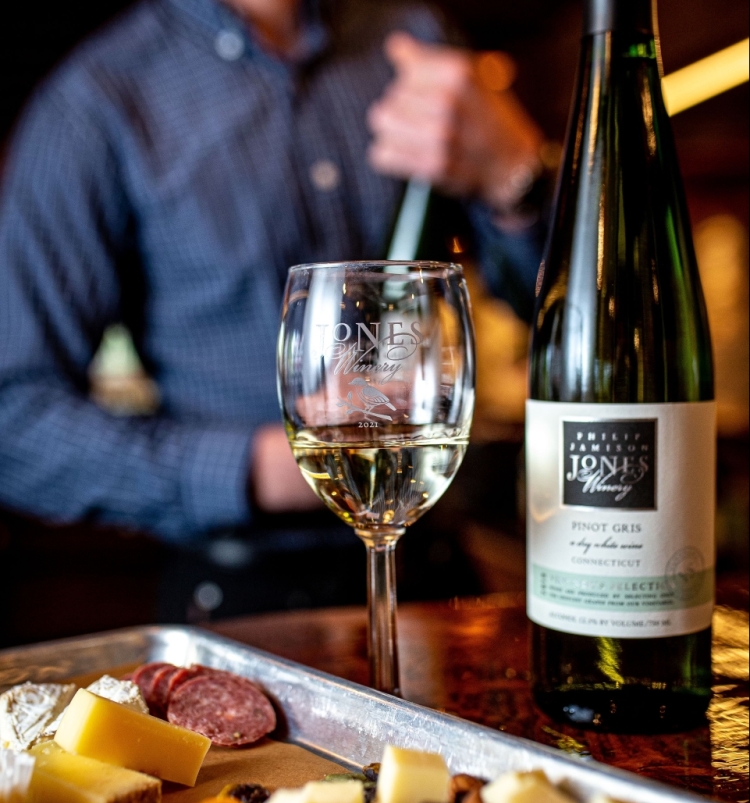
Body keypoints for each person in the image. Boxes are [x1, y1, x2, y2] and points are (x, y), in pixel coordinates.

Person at [0, 0, 545, 615]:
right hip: (245, 594)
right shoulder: (95, 100)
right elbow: (11, 421)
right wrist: (274, 465)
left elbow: (581, 322)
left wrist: (514, 174)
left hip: (435, 567)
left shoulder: (416, 35)